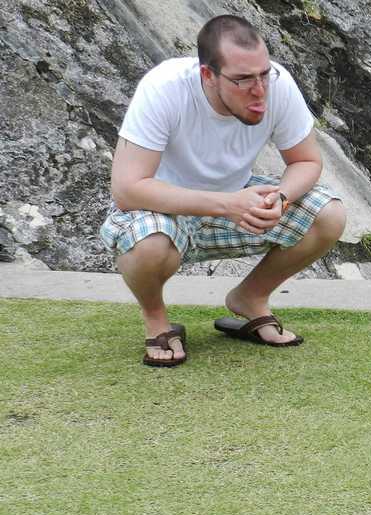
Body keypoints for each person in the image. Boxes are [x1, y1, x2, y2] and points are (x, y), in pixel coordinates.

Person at [101, 14, 346, 367]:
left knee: (329, 214)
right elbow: (127, 189)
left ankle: (251, 297)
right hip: (163, 210)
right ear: (208, 76)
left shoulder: (278, 85)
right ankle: (157, 318)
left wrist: (280, 197)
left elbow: (306, 161)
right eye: (243, 79)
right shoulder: (165, 87)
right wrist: (228, 204)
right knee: (149, 245)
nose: (260, 90)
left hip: (234, 201)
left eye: (264, 73)